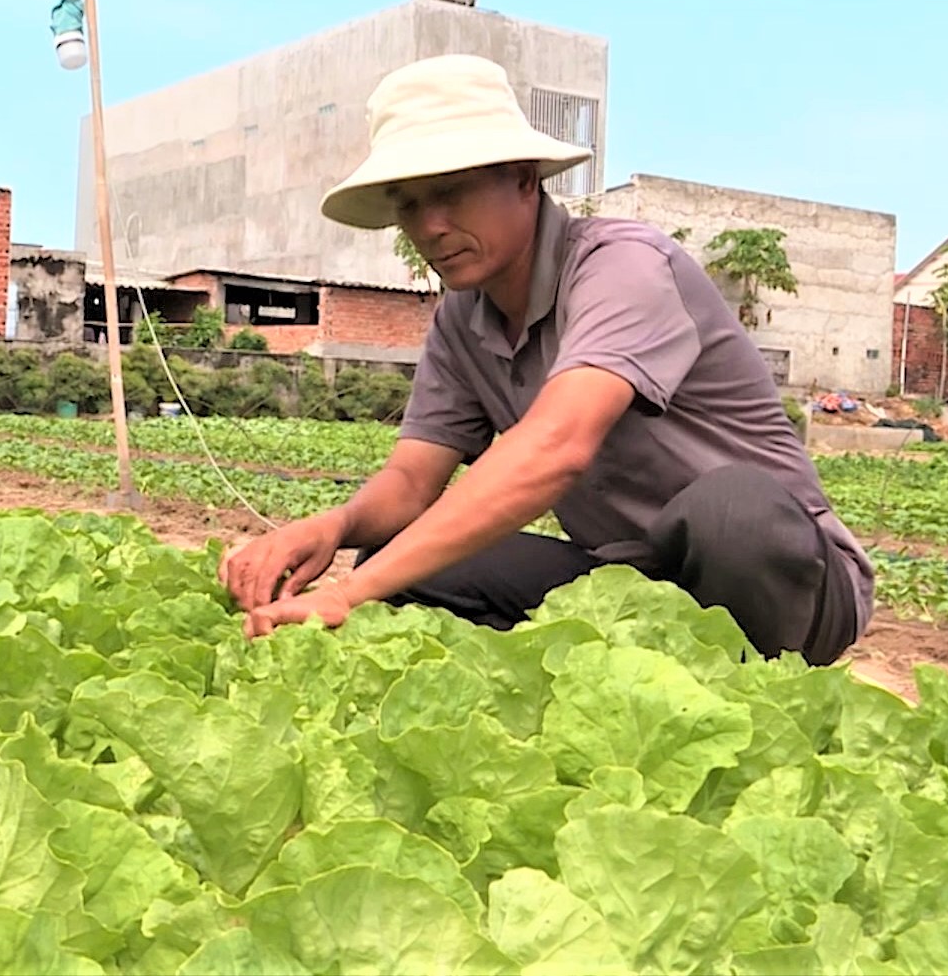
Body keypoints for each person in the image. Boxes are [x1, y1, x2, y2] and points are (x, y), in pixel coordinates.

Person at [219, 54, 874, 665]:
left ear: (525, 180)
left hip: (785, 578)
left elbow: (558, 444)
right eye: (410, 203)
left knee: (733, 510)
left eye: (450, 191)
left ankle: (761, 697)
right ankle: (618, 683)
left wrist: (347, 595)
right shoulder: (460, 320)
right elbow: (412, 482)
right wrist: (333, 527)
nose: (430, 226)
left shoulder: (621, 265)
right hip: (627, 580)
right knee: (393, 551)